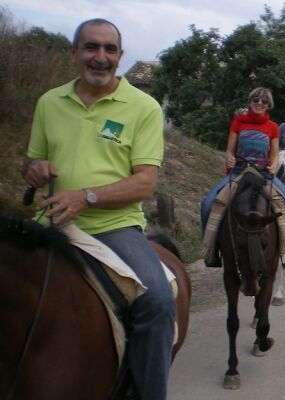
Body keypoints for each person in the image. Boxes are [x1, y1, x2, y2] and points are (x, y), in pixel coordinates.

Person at [22, 18, 175, 400]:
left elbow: (144, 182)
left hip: (114, 227)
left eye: (110, 49)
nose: (100, 57)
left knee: (157, 301)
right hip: (50, 223)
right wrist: (34, 170)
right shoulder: (49, 102)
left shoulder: (143, 107)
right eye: (91, 47)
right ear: (74, 53)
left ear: (121, 57)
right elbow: (33, 161)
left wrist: (84, 196)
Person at [201, 87, 285, 268]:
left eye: (264, 101)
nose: (260, 104)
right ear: (250, 102)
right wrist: (229, 158)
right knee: (207, 204)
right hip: (239, 171)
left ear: (269, 105)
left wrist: (273, 164)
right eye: (256, 100)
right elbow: (230, 149)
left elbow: (275, 154)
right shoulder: (238, 122)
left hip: (263, 174)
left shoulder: (272, 127)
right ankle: (211, 250)